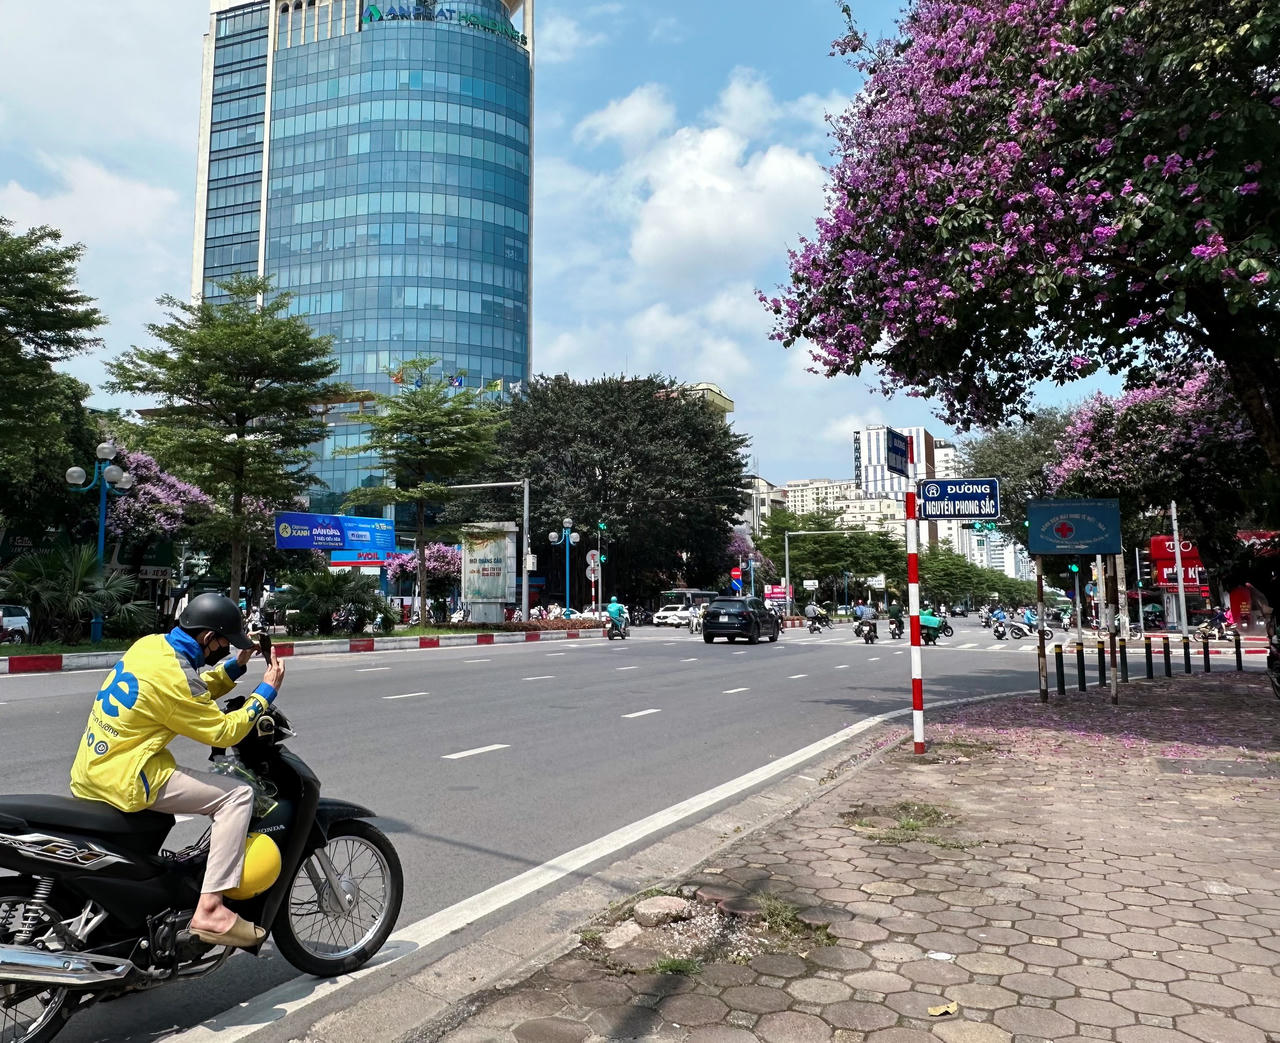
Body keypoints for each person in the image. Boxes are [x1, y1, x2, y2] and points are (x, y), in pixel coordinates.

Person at [69, 593, 284, 950]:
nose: (225, 650)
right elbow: (223, 732)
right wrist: (265, 692)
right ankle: (210, 909)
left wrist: (236, 666)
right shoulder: (175, 678)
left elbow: (188, 691)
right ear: (208, 638)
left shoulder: (151, 646)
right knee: (237, 795)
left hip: (93, 769)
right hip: (127, 777)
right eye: (225, 643)